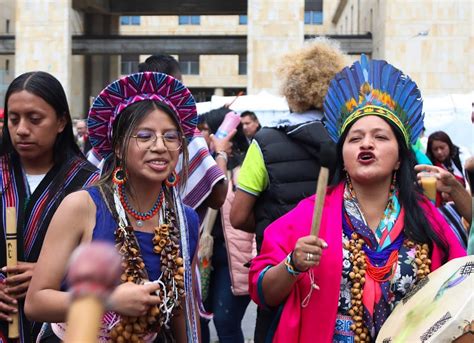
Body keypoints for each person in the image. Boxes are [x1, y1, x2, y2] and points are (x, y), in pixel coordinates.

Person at [247, 55, 466, 343]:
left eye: (381, 137)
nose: (366, 143)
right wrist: (292, 265)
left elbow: (462, 282)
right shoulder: (310, 214)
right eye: (355, 138)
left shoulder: (425, 216)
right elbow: (262, 291)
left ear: (400, 158)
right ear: (344, 156)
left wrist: (462, 196)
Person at [230, 38, 346, 342]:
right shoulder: (350, 142)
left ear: (291, 89)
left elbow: (238, 215)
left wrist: (275, 222)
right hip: (337, 275)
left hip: (281, 272)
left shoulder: (265, 142)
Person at [0, 71, 100, 342]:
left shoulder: (92, 184)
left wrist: (51, 273)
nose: (21, 129)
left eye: (35, 119)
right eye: (13, 119)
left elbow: (107, 257)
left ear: (61, 122)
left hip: (57, 329)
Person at [140, 54, 231, 216]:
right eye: (181, 84)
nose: (159, 147)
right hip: (173, 235)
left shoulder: (123, 128)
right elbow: (218, 197)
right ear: (174, 84)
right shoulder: (185, 131)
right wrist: (221, 152)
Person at [198, 108, 254, 343]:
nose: (201, 135)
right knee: (198, 320)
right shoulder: (201, 163)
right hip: (203, 257)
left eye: (206, 130)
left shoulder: (246, 166)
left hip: (235, 260)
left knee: (226, 322)